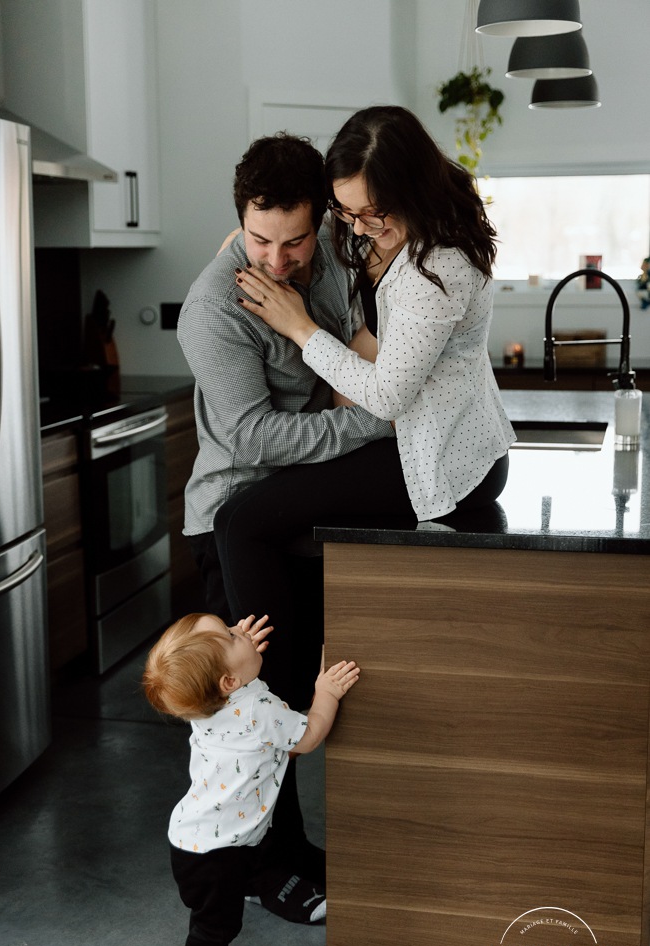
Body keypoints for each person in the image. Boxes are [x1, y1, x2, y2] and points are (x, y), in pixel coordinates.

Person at [217, 104, 515, 676]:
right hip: (429, 442)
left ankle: (272, 707)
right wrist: (244, 243)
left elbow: (387, 397)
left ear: (407, 188)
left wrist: (299, 326)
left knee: (239, 521)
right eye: (344, 211)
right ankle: (293, 692)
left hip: (445, 463)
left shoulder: (442, 267)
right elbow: (378, 335)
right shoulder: (404, 230)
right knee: (261, 513)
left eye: (368, 213)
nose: (355, 227)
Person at [177, 132, 393, 908]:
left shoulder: (331, 253)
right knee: (249, 711)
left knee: (294, 692)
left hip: (298, 509)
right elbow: (255, 438)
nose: (275, 260)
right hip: (233, 515)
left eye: (293, 240)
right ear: (239, 220)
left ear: (320, 221)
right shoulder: (213, 308)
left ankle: (290, 847)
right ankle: (265, 873)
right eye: (259, 239)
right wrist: (381, 418)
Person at [142, 612, 359, 946]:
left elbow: (228, 683)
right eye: (231, 633)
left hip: (198, 840)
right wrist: (325, 692)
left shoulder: (205, 699)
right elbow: (308, 736)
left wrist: (235, 653)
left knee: (217, 917)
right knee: (215, 923)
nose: (242, 629)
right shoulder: (258, 709)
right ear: (229, 682)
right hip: (216, 852)